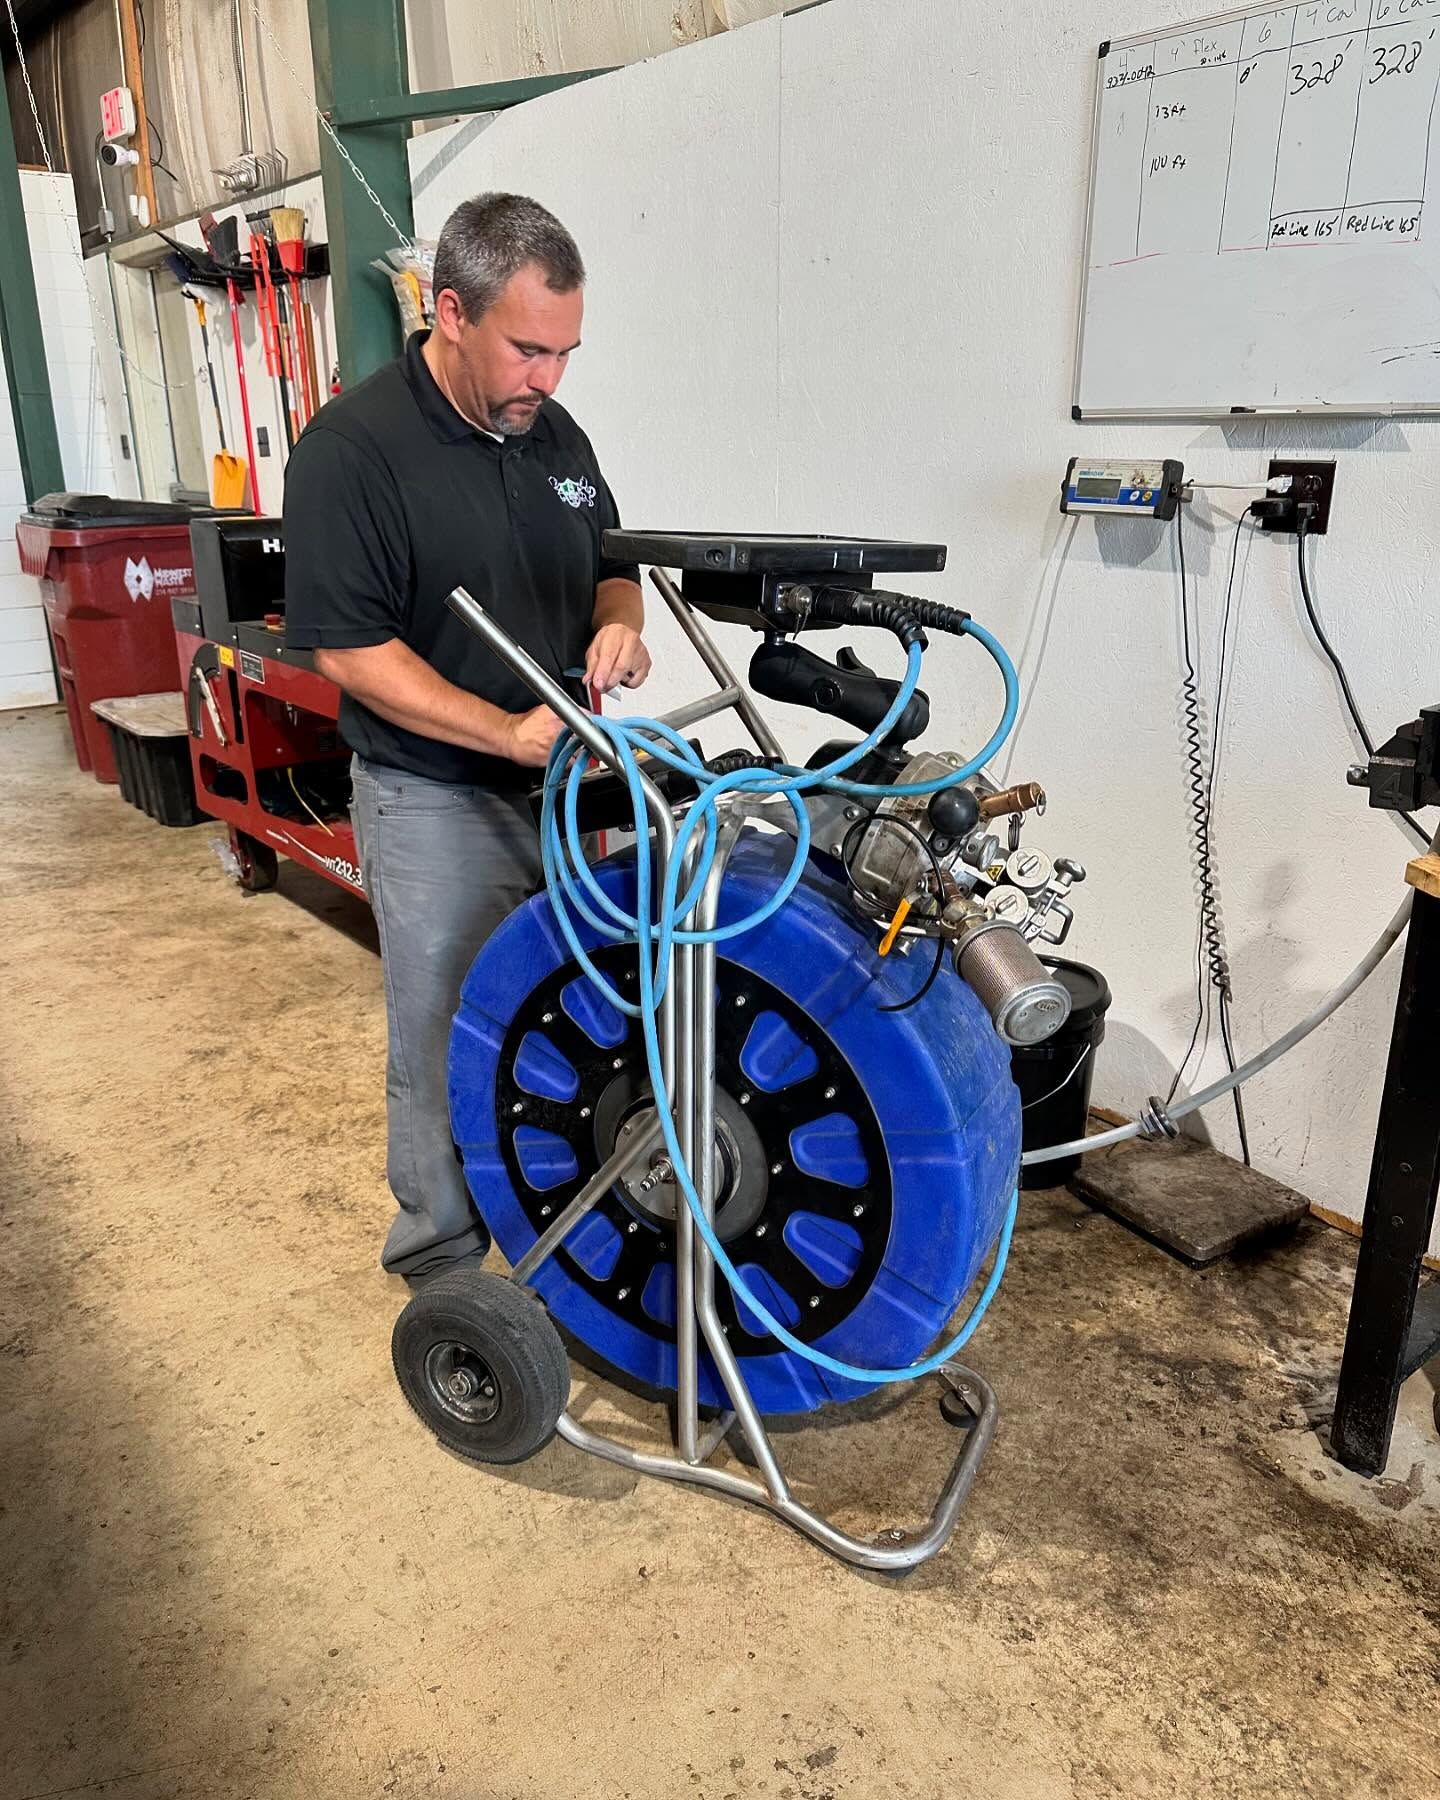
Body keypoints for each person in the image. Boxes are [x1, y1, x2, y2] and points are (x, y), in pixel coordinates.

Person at [284, 192, 651, 1283]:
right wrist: (503, 733)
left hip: (565, 785)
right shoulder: (353, 451)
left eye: (567, 352)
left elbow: (614, 564)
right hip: (436, 797)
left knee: (580, 1019)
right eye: (528, 349)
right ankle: (443, 1275)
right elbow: (350, 650)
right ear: (449, 312)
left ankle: (568, 1243)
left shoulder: (554, 433)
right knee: (448, 1034)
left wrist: (621, 627)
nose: (550, 378)